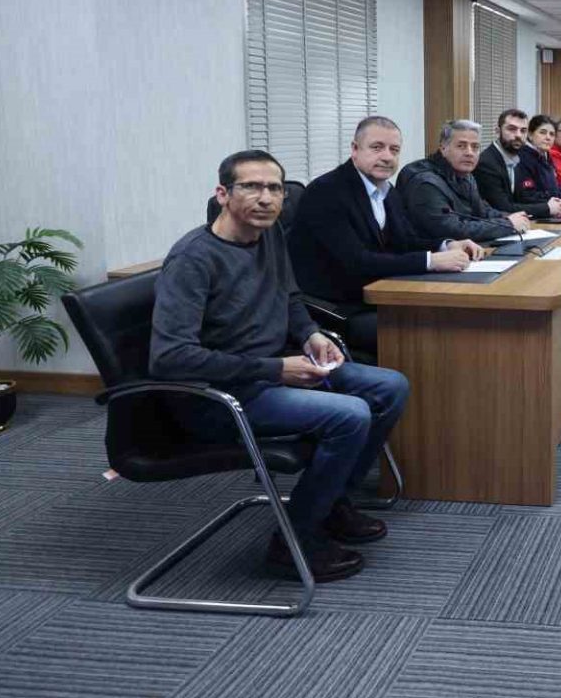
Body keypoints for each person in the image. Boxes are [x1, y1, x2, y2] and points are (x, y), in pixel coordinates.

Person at [151, 149, 409, 582]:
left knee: (390, 386)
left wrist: (311, 334)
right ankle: (293, 544)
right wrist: (275, 369)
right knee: (351, 415)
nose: (266, 198)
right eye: (251, 187)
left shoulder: (268, 235)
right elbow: (170, 357)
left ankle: (331, 502)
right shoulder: (193, 260)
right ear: (222, 194)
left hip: (271, 373)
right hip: (220, 395)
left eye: (274, 188)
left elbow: (289, 296)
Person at [290, 116, 482, 353]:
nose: (387, 157)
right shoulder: (327, 191)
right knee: (438, 329)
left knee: (457, 314)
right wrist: (431, 261)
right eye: (377, 147)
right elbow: (358, 261)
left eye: (394, 150)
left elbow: (405, 241)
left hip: (379, 294)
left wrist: (446, 245)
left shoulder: (386, 190)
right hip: (338, 308)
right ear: (355, 149)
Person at [398, 119, 533, 242]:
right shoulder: (425, 183)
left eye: (475, 147)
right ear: (443, 148)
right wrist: (508, 224)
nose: (469, 153)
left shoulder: (465, 175)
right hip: (432, 256)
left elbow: (482, 211)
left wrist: (512, 217)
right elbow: (450, 230)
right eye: (461, 146)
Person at [476, 109, 561, 220]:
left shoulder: (516, 157)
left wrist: (556, 203)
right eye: (512, 129)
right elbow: (502, 207)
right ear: (498, 131)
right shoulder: (487, 163)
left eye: (523, 131)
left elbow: (521, 199)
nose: (518, 135)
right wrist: (547, 208)